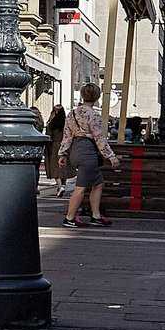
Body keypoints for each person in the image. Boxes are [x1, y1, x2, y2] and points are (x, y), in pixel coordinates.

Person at [61, 81, 118, 228]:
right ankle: (70, 218)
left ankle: (96, 215)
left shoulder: (72, 113)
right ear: (97, 97)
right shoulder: (94, 115)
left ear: (82, 95)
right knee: (81, 187)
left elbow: (66, 135)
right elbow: (99, 137)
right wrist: (110, 156)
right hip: (87, 151)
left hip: (75, 149)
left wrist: (63, 154)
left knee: (98, 183)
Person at [45, 102, 67, 187]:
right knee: (64, 166)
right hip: (65, 146)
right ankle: (64, 185)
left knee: (54, 166)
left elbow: (48, 135)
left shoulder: (52, 123)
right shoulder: (66, 123)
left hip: (54, 146)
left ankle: (59, 186)